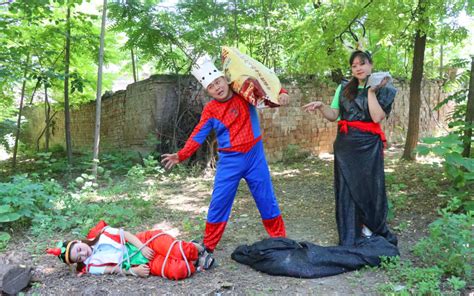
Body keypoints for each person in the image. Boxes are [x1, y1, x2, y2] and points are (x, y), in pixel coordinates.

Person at [161, 55, 289, 259]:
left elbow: (265, 85)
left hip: (255, 156)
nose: (217, 87)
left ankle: (280, 239)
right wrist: (181, 155)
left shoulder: (244, 92)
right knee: (219, 201)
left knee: (266, 199)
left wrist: (282, 93)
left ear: (224, 79)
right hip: (230, 161)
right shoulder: (211, 109)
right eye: (211, 86)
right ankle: (208, 245)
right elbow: (198, 134)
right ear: (208, 91)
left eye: (218, 82)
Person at [303, 50, 398, 246]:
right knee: (347, 188)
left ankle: (371, 226)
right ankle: (352, 229)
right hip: (346, 146)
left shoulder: (384, 88)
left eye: (362, 64)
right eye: (354, 66)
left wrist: (371, 91)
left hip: (369, 146)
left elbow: (377, 117)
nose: (358, 68)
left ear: (370, 65)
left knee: (369, 187)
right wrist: (322, 106)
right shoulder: (344, 87)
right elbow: (334, 114)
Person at [46, 221, 211, 280]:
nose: (83, 254)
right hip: (140, 261)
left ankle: (195, 250)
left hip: (145, 243)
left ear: (78, 242)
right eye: (78, 258)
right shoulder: (92, 266)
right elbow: (113, 269)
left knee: (179, 249)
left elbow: (125, 234)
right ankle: (193, 265)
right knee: (177, 270)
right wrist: (134, 271)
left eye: (79, 249)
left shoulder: (101, 234)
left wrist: (142, 247)